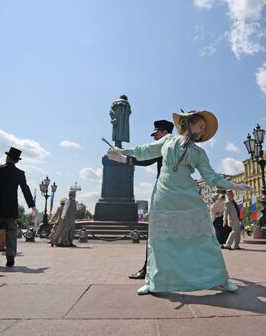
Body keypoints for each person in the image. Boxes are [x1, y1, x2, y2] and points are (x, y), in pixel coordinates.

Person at [107, 110, 252, 295]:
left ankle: (220, 279)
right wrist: (122, 152)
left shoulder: (199, 152)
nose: (202, 130)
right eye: (200, 125)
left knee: (205, 239)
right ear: (189, 123)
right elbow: (145, 151)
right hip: (164, 194)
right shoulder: (168, 140)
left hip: (188, 195)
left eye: (204, 128)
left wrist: (235, 185)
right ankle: (154, 282)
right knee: (160, 241)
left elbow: (211, 177)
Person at [126, 120, 174, 280]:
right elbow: (146, 159)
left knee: (160, 232)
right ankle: (150, 268)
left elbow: (146, 158)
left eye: (156, 133)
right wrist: (125, 158)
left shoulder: (171, 146)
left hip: (170, 194)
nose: (154, 137)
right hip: (166, 194)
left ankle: (152, 270)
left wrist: (125, 158)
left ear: (165, 132)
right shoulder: (163, 147)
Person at [0, 147, 39, 267]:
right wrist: (32, 205)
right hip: (10, 207)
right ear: (17, 161)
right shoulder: (19, 173)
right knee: (12, 232)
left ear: (7, 157)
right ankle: (11, 257)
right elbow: (25, 189)